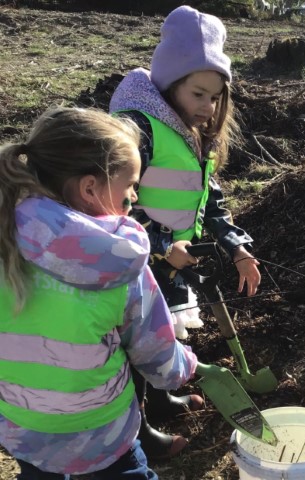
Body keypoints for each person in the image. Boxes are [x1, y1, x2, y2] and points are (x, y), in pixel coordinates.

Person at [0, 107, 198, 479]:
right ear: (90, 188)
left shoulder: (4, 233)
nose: (134, 198)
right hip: (100, 436)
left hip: (23, 431)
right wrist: (183, 365)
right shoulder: (119, 263)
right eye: (129, 186)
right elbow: (156, 356)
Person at [109, 5, 261, 460]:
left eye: (215, 97)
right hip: (137, 262)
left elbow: (209, 198)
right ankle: (139, 434)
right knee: (137, 347)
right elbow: (114, 204)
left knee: (163, 337)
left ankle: (161, 400)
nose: (208, 106)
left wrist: (236, 246)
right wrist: (158, 247)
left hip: (171, 262)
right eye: (199, 93)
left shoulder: (190, 132)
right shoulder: (139, 130)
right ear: (169, 83)